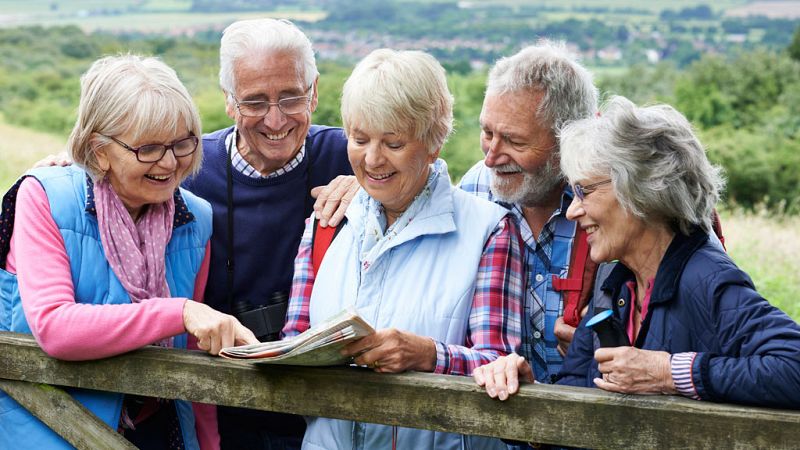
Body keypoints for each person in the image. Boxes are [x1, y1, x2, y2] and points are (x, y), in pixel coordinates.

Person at [475, 96, 800, 410]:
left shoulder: (705, 278)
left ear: (642, 191)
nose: (573, 211)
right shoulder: (615, 287)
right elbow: (573, 401)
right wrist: (527, 394)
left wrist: (668, 372)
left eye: (584, 192)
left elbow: (793, 366)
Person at [0, 55, 258, 450]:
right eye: (149, 148)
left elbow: (195, 354)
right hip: (50, 430)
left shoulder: (196, 217)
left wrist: (206, 443)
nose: (170, 162)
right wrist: (180, 311)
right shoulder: (46, 197)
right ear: (99, 149)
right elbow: (54, 327)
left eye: (182, 142)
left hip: (157, 429)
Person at [282, 49, 524, 449]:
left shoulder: (489, 231)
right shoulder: (325, 224)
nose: (372, 159)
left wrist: (429, 356)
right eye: (359, 139)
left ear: (433, 142)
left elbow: (500, 368)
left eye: (393, 143)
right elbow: (295, 344)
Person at [179, 18, 353, 448]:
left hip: (330, 417)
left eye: (291, 97)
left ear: (314, 91)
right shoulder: (190, 168)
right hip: (221, 412)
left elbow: (428, 176)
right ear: (229, 102)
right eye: (255, 102)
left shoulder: (353, 156)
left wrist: (369, 185)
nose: (275, 120)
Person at [458, 41, 599, 384]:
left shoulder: (610, 203)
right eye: (487, 132)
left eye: (514, 142)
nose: (491, 157)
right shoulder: (475, 187)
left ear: (568, 140)